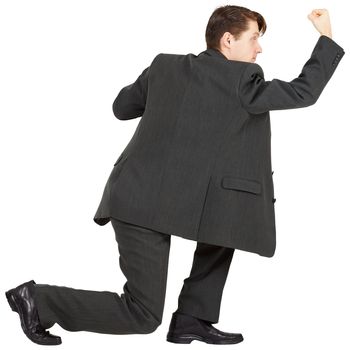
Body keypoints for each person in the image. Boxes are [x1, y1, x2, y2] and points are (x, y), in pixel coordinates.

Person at [5, 5, 345, 346]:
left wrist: (167, 94)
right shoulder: (244, 80)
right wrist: (326, 37)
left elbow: (122, 108)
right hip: (143, 207)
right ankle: (39, 301)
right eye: (254, 38)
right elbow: (304, 91)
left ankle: (191, 319)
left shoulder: (164, 66)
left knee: (228, 221)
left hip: (139, 193)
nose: (259, 48)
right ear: (228, 40)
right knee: (142, 315)